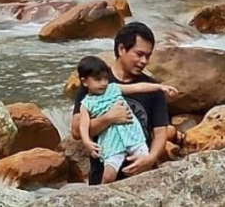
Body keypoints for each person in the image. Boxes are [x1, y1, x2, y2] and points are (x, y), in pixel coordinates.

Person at [71, 22, 170, 185]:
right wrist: (109, 118)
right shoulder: (96, 83)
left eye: (148, 55)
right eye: (139, 54)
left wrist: (150, 158)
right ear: (121, 49)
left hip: (141, 176)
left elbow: (160, 133)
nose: (144, 61)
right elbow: (76, 130)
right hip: (103, 175)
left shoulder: (151, 88)